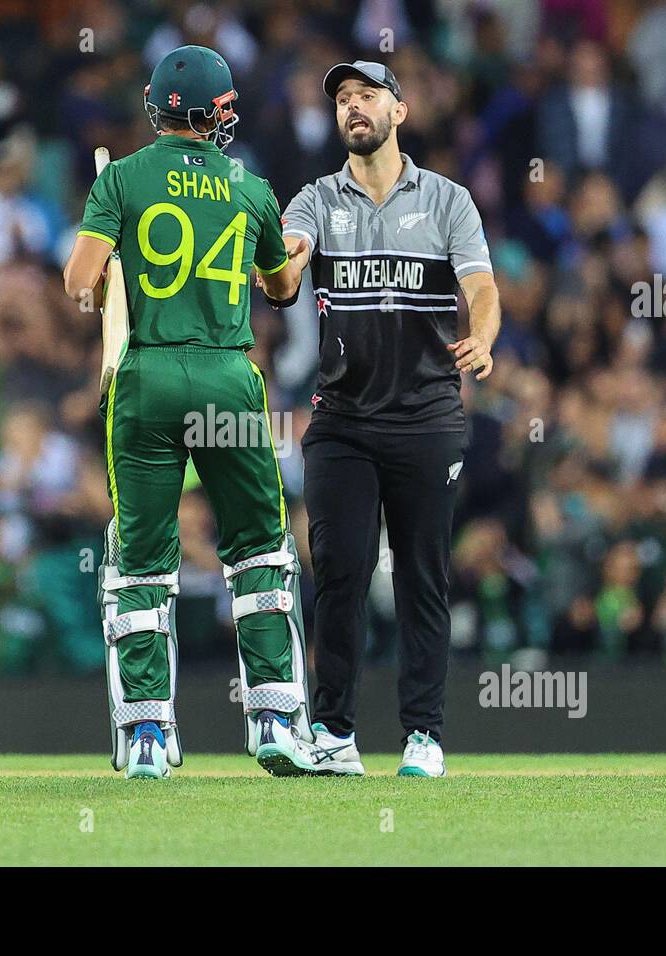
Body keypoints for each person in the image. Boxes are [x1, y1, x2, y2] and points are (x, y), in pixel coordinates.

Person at [63, 45, 313, 779]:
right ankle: (274, 720)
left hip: (143, 377)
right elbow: (281, 290)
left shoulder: (121, 179)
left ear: (156, 108)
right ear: (217, 113)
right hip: (229, 375)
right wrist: (293, 252)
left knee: (140, 562)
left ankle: (145, 736)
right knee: (260, 551)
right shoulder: (253, 187)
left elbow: (80, 283)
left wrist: (112, 265)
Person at [279, 61, 501, 777]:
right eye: (342, 98)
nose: (352, 107)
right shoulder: (315, 199)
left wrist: (487, 336)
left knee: (422, 576)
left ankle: (423, 737)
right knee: (339, 573)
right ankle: (335, 734)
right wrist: (277, 265)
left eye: (366, 95)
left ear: (399, 111)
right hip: (341, 419)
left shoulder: (447, 201)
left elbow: (482, 286)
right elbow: (286, 274)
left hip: (427, 417)